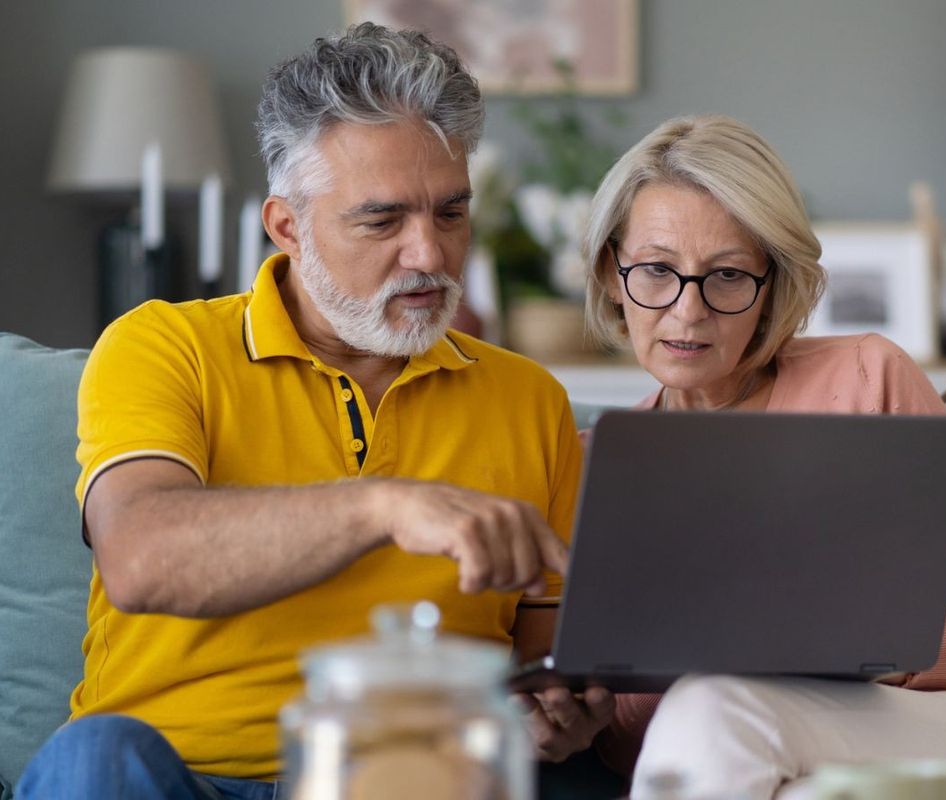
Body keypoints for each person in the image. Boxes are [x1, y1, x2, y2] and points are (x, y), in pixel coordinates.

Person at [17, 24, 615, 799]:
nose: (430, 254)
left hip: (404, 776)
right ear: (287, 227)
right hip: (178, 777)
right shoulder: (165, 346)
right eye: (382, 220)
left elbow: (542, 661)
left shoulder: (527, 399)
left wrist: (557, 717)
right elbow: (141, 558)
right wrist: (383, 506)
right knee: (95, 758)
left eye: (451, 213)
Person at [580, 115, 946, 800]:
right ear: (611, 271)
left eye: (725, 276)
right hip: (754, 759)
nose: (688, 313)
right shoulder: (601, 464)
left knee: (716, 707)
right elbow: (644, 749)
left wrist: (862, 650)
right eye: (657, 271)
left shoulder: (868, 378)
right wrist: (596, 710)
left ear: (771, 283)